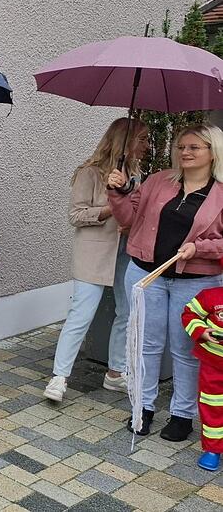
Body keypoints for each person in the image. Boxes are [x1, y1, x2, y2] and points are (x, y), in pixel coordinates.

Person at [109, 124, 223, 439]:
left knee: (185, 349)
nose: (184, 152)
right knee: (146, 344)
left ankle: (182, 414)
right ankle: (142, 408)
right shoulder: (158, 181)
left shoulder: (221, 193)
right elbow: (128, 220)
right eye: (181, 147)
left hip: (196, 281)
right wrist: (118, 193)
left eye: (193, 148)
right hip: (147, 275)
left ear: (212, 153)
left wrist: (199, 248)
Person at [43, 118, 148, 402]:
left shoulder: (137, 174)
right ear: (125, 141)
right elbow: (75, 215)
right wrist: (111, 209)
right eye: (142, 139)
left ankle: (115, 372)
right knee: (82, 313)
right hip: (94, 252)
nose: (146, 145)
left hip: (127, 251)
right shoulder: (89, 173)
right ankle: (59, 377)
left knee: (126, 312)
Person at [181, 279, 223, 472]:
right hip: (212, 367)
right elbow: (189, 313)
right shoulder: (211, 296)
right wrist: (201, 331)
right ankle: (212, 449)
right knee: (211, 406)